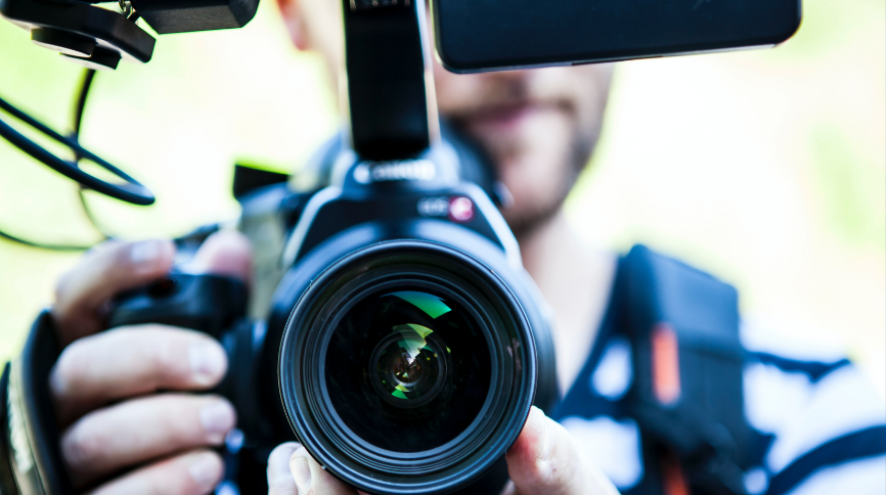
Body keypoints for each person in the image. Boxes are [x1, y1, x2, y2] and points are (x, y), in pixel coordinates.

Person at [13, 0, 886, 494]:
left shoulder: (797, 411)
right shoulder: (169, 386)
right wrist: (31, 458)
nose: (519, 60)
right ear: (291, 10)